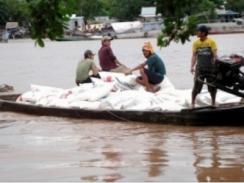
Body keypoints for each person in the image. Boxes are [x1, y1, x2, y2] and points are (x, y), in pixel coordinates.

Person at [191, 25, 218, 108]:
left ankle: (213, 103)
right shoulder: (196, 43)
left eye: (198, 31)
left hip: (210, 68)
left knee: (212, 87)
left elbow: (215, 54)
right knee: (196, 86)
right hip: (200, 68)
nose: (197, 33)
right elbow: (194, 56)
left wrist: (214, 60)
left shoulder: (211, 42)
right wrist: (192, 66)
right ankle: (192, 103)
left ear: (203, 33)